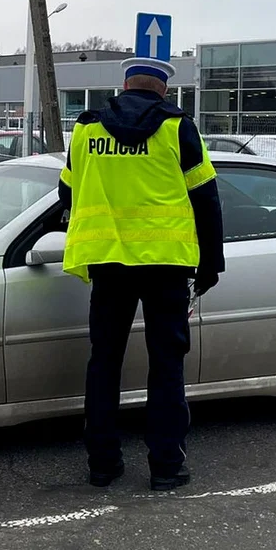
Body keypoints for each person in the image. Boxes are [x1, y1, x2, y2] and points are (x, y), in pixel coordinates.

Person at [58, 56, 225, 491]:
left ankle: (102, 465)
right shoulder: (177, 127)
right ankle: (166, 467)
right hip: (165, 264)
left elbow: (65, 190)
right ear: (163, 90)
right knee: (167, 366)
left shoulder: (87, 128)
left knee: (104, 363)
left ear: (125, 85)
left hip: (108, 261)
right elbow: (206, 198)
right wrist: (211, 264)